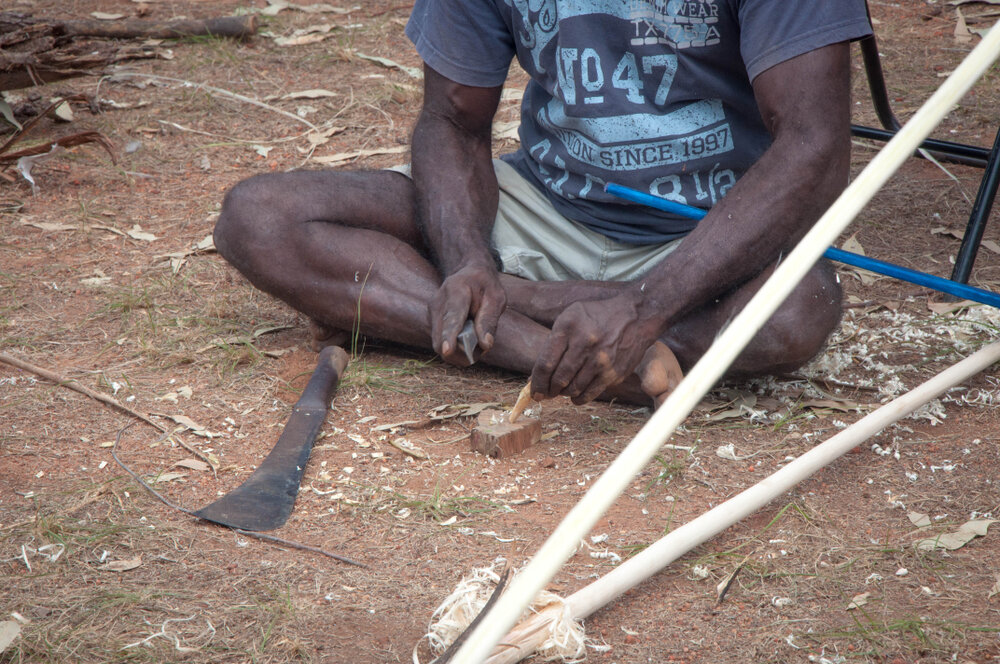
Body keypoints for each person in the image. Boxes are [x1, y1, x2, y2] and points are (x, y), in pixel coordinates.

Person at [214, 0, 872, 407]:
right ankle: (562, 354)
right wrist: (468, 259)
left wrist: (646, 306)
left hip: (710, 231)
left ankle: (509, 307)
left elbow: (814, 148)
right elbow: (450, 121)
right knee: (262, 219)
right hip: (549, 202)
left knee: (794, 312)